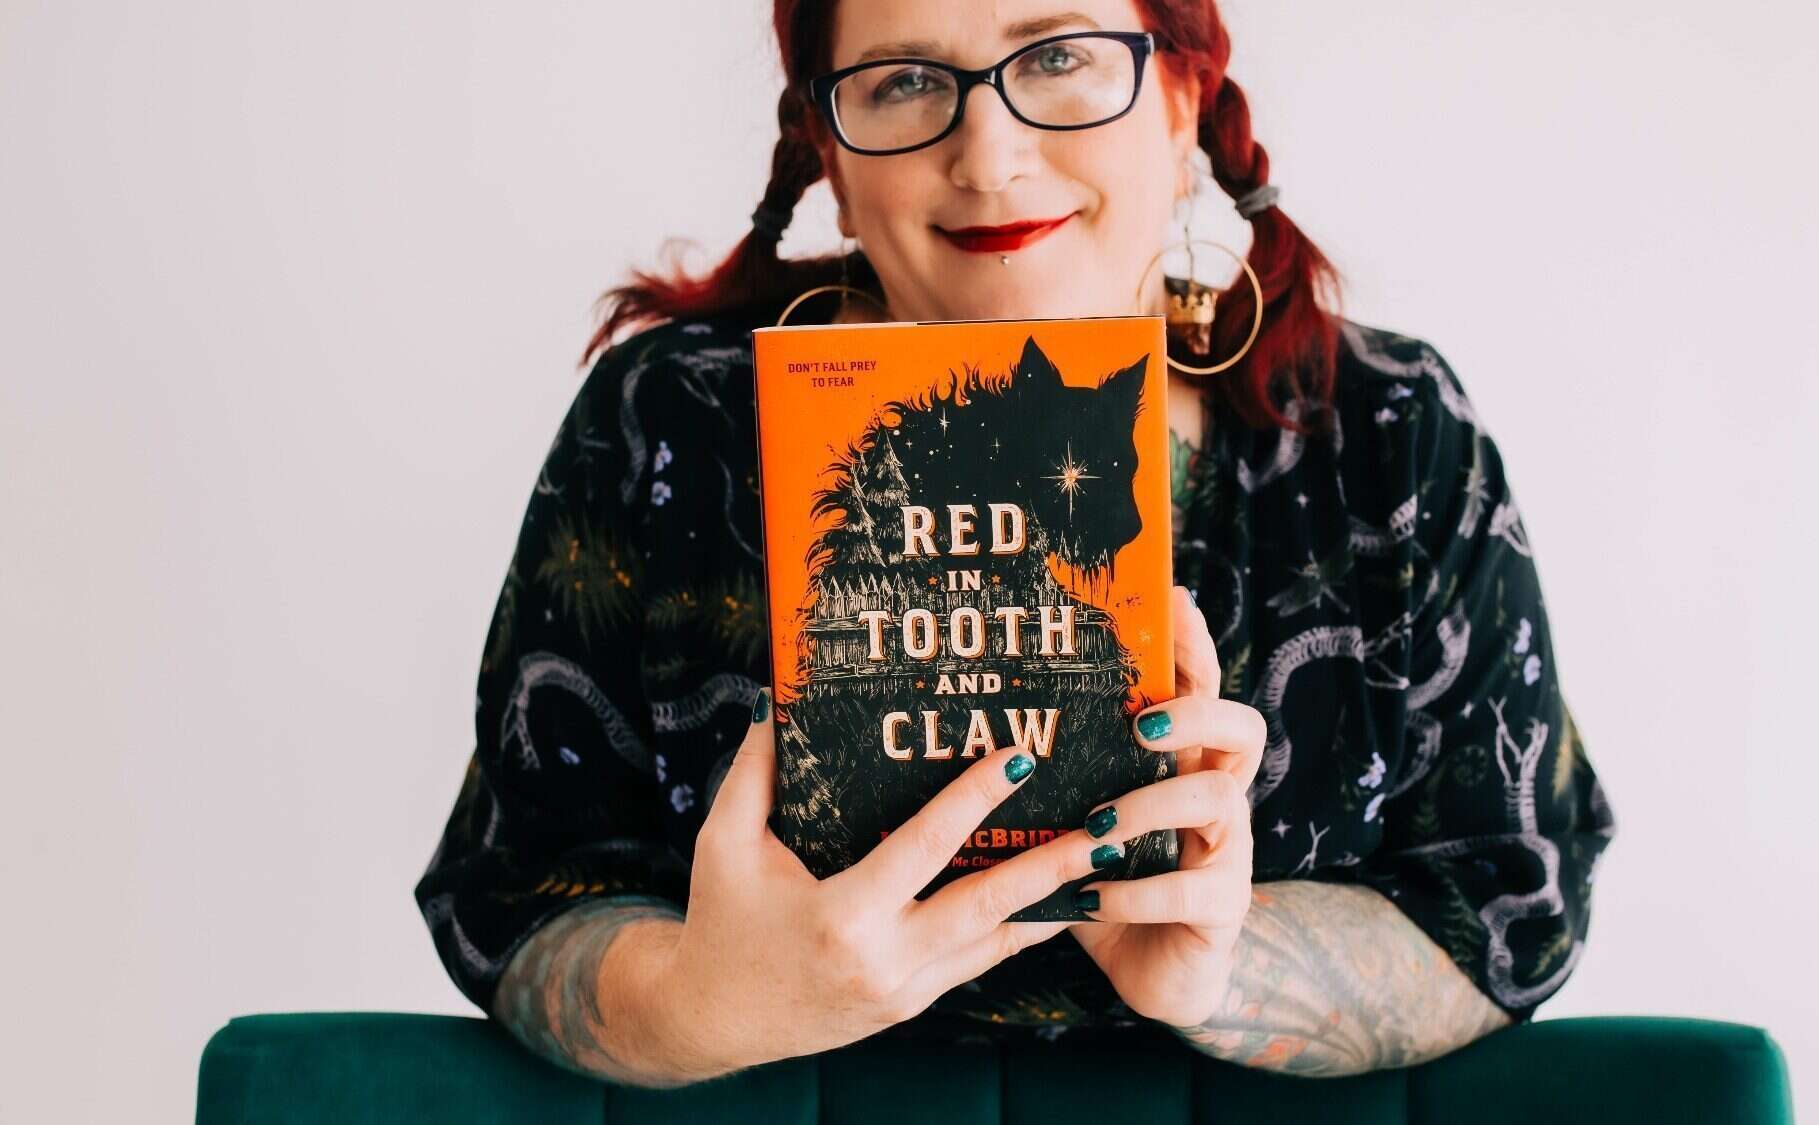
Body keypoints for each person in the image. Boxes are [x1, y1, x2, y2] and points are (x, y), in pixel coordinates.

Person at [414, 0, 1615, 1089]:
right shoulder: (664, 427)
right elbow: (516, 897)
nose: (986, 158)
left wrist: (1220, 967)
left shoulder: (1383, 436)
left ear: (1181, 101)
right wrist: (703, 1004)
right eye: (900, 81)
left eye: (1058, 58)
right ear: (826, 153)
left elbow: (1507, 900)